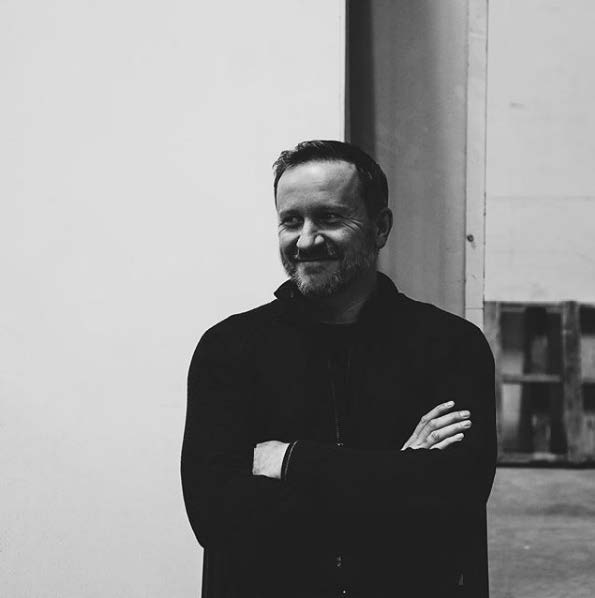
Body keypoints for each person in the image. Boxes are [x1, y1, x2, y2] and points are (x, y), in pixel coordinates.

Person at [181, 140, 497, 598]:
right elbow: (217, 517)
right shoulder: (228, 350)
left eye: (329, 218)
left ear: (380, 227)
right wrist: (400, 471)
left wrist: (289, 461)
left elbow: (451, 505)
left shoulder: (451, 346)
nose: (306, 240)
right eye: (291, 221)